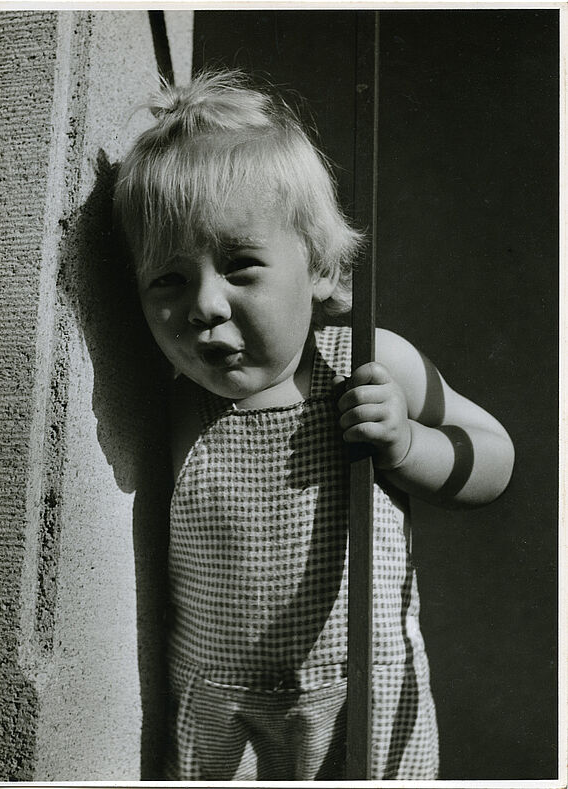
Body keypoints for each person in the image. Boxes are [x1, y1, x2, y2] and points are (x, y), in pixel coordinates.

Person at [114, 69, 514, 780]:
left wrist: (408, 443)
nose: (204, 304)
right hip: (219, 715)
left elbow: (494, 456)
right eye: (167, 280)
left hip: (357, 694)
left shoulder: (365, 360)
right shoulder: (175, 408)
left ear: (322, 268)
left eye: (240, 264)